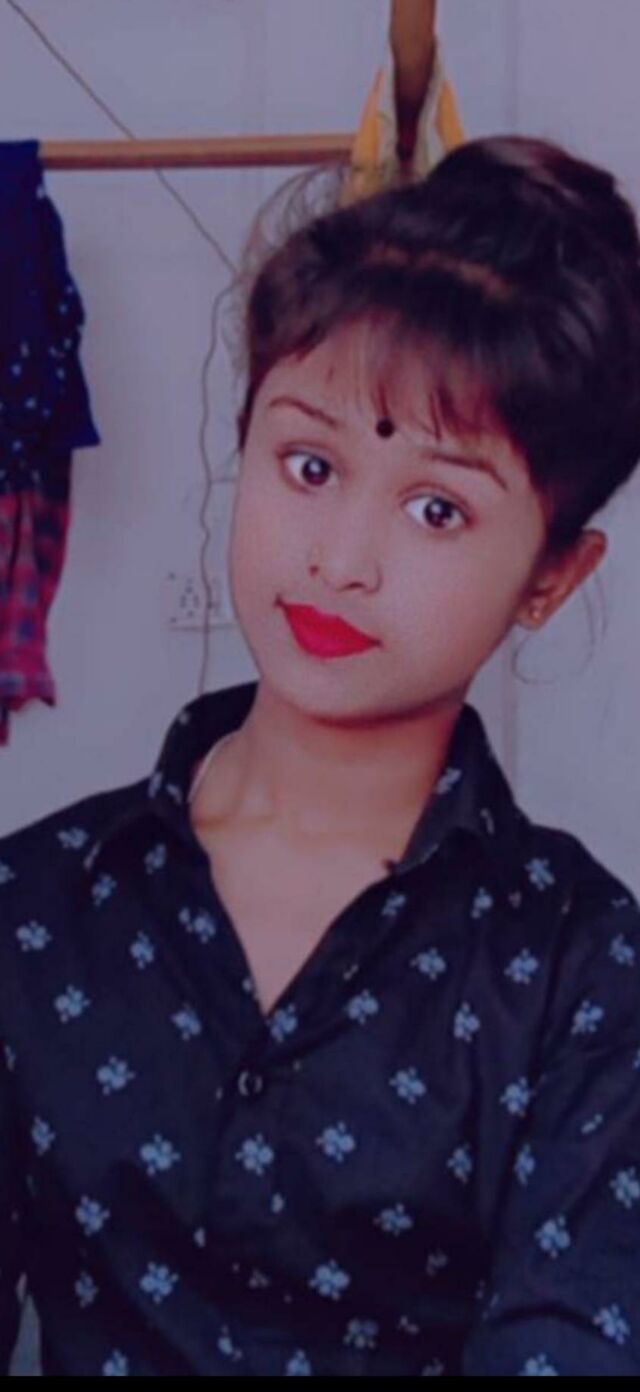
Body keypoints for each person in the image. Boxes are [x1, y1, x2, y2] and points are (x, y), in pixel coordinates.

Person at [2, 134, 640, 1378]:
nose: (340, 559)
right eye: (309, 465)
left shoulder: (587, 977)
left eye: (436, 508)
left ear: (551, 577)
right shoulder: (30, 908)